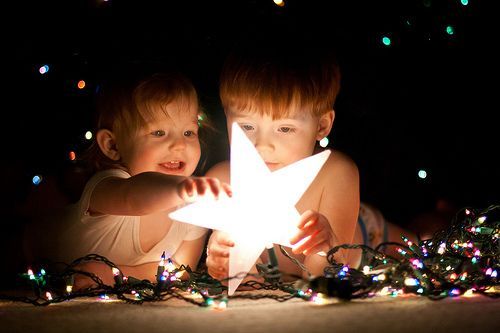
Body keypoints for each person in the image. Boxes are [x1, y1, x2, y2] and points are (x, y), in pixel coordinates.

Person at [204, 35, 416, 283]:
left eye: (285, 129)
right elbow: (243, 281)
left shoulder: (336, 173)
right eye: (247, 126)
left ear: (322, 125)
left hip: (369, 232)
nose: (262, 144)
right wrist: (220, 258)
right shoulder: (220, 181)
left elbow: (322, 277)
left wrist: (324, 247)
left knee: (426, 250)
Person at [23, 69, 231, 287]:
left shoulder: (194, 207)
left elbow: (181, 267)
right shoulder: (109, 185)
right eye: (159, 133)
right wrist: (183, 188)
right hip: (26, 249)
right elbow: (135, 198)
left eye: (189, 132)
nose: (180, 145)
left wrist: (115, 275)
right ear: (112, 145)